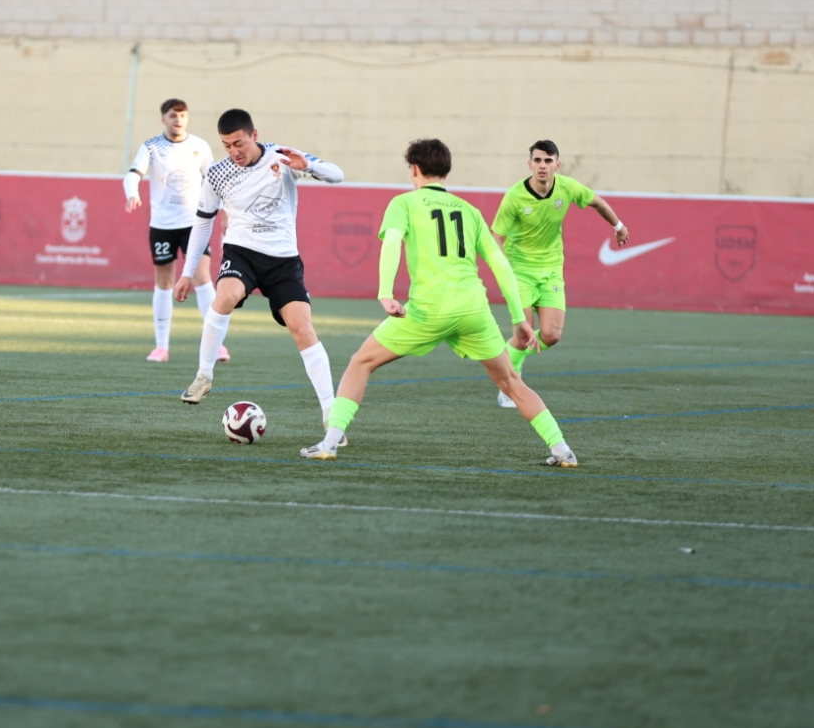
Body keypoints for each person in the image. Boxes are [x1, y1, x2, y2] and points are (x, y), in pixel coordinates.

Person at [302, 138, 578, 467]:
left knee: (361, 362)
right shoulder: (470, 210)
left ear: (414, 169)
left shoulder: (404, 203)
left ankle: (330, 442)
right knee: (510, 382)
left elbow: (391, 243)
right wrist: (519, 318)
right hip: (474, 310)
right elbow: (500, 264)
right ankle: (562, 450)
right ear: (446, 173)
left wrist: (385, 293)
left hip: (428, 310)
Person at [174, 109, 344, 431]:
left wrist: (308, 166)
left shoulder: (283, 157)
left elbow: (338, 175)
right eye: (226, 145)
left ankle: (331, 414)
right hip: (242, 253)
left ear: (254, 135)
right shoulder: (218, 174)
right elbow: (203, 223)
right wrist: (187, 271)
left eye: (238, 143)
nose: (234, 151)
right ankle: (203, 376)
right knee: (225, 297)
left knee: (302, 329)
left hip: (283, 260)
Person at [489, 139, 628, 408]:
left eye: (548, 161)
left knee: (551, 335)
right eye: (537, 160)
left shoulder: (568, 187)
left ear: (557, 165)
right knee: (523, 335)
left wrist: (619, 227)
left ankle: (511, 356)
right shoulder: (515, 196)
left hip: (551, 271)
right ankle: (508, 386)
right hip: (520, 272)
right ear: (530, 164)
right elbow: (497, 238)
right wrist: (504, 272)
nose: (542, 165)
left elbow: (597, 202)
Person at [124, 98, 228, 364]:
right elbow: (133, 173)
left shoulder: (199, 146)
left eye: (182, 115)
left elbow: (215, 180)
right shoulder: (151, 147)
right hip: (162, 226)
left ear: (187, 118)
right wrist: (132, 192)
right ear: (164, 119)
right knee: (164, 283)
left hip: (195, 223)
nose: (178, 120)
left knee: (202, 278)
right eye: (172, 115)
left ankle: (217, 345)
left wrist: (225, 210)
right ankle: (161, 347)